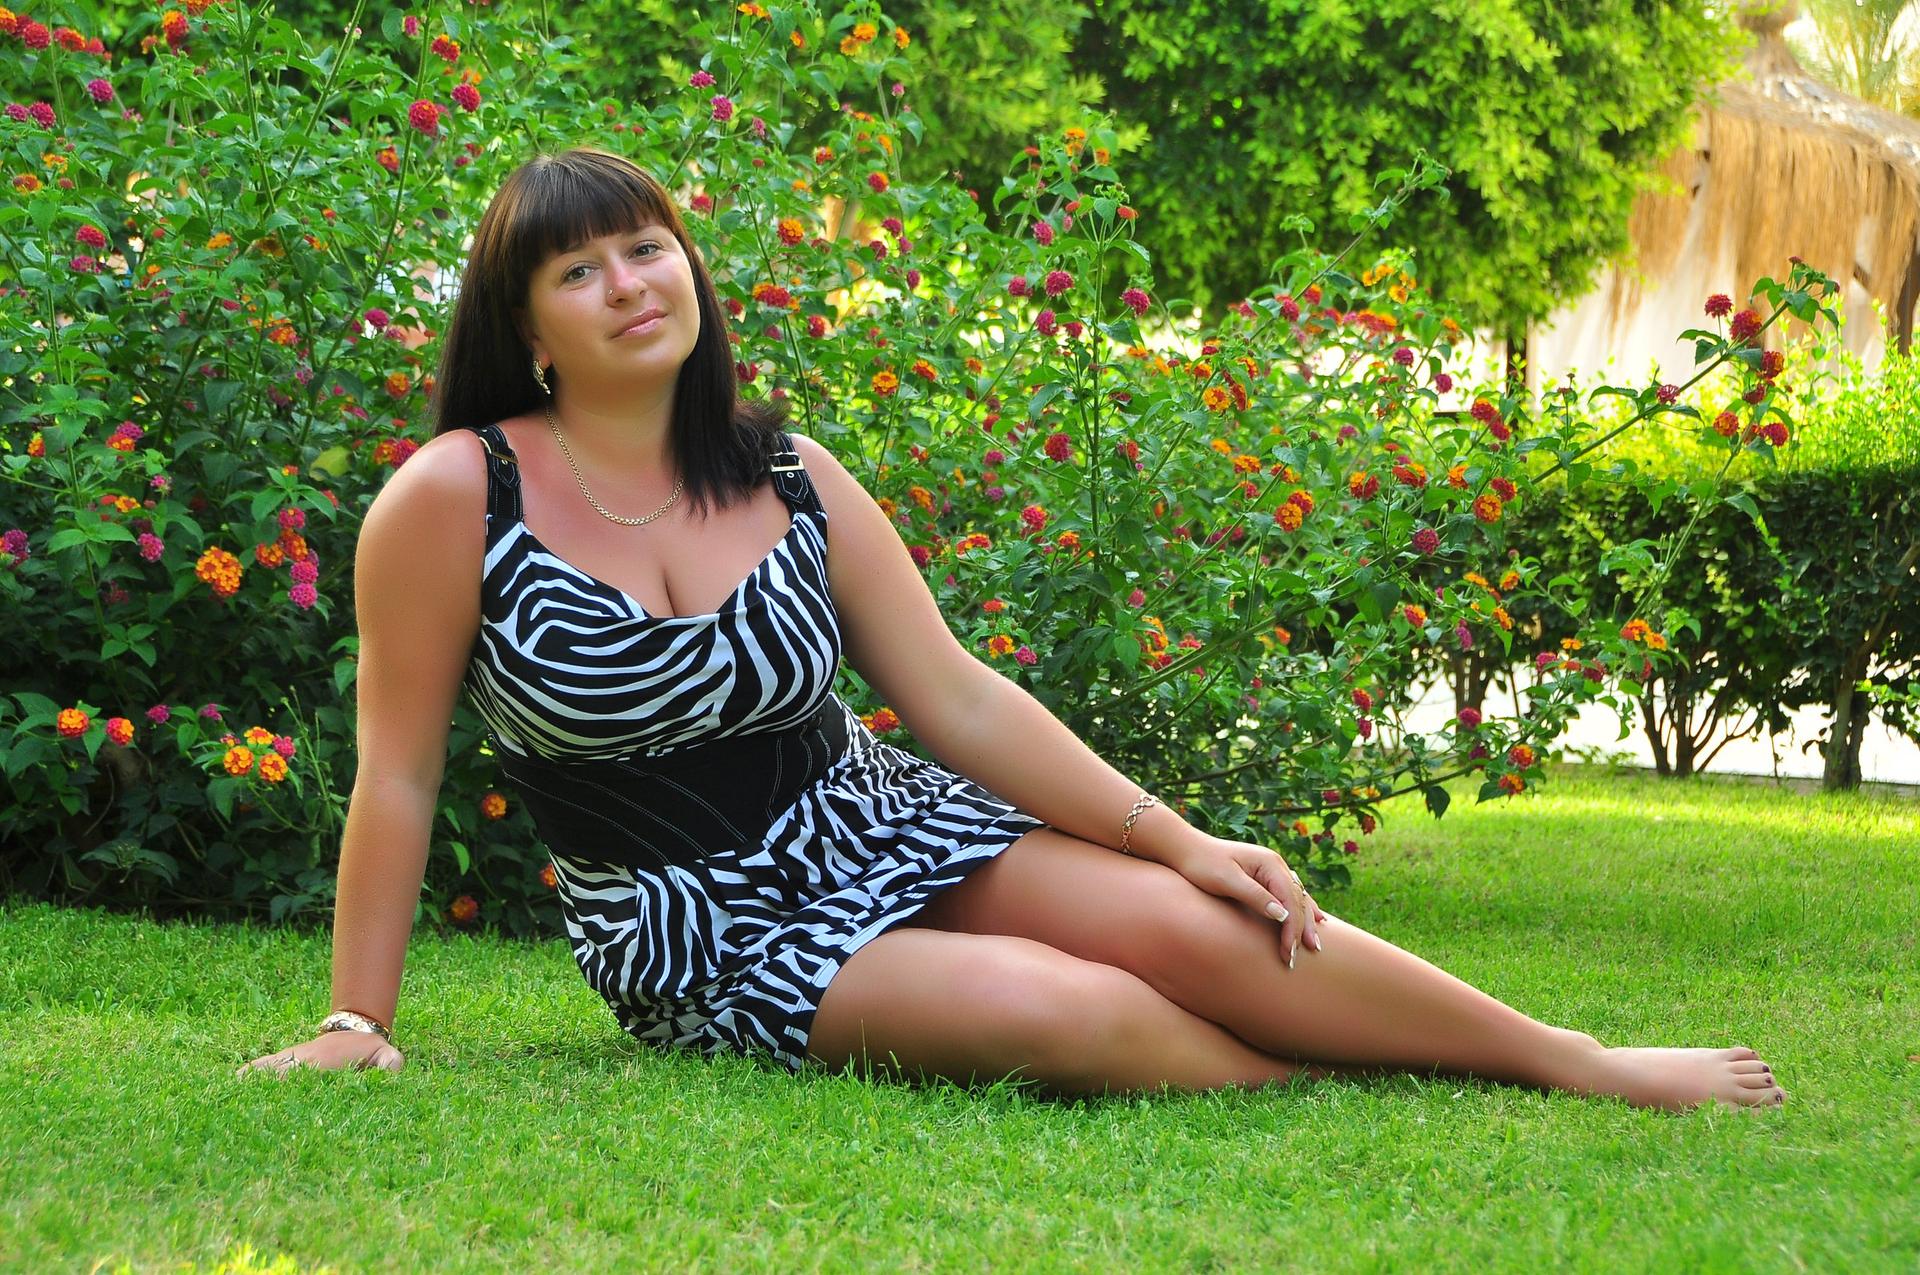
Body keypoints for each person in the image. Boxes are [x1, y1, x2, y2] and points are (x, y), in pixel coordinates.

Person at [237, 147, 1784, 1112]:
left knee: (1205, 927)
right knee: (1079, 1012)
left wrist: (1181, 838)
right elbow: (401, 773)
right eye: (579, 271)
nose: (629, 284)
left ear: (690, 270)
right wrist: (360, 1016)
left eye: (648, 248)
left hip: (872, 819)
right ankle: (1326, 1082)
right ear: (528, 329)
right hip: (698, 921)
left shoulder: (788, 471)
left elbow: (957, 699)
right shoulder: (457, 499)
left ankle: (1569, 1061)